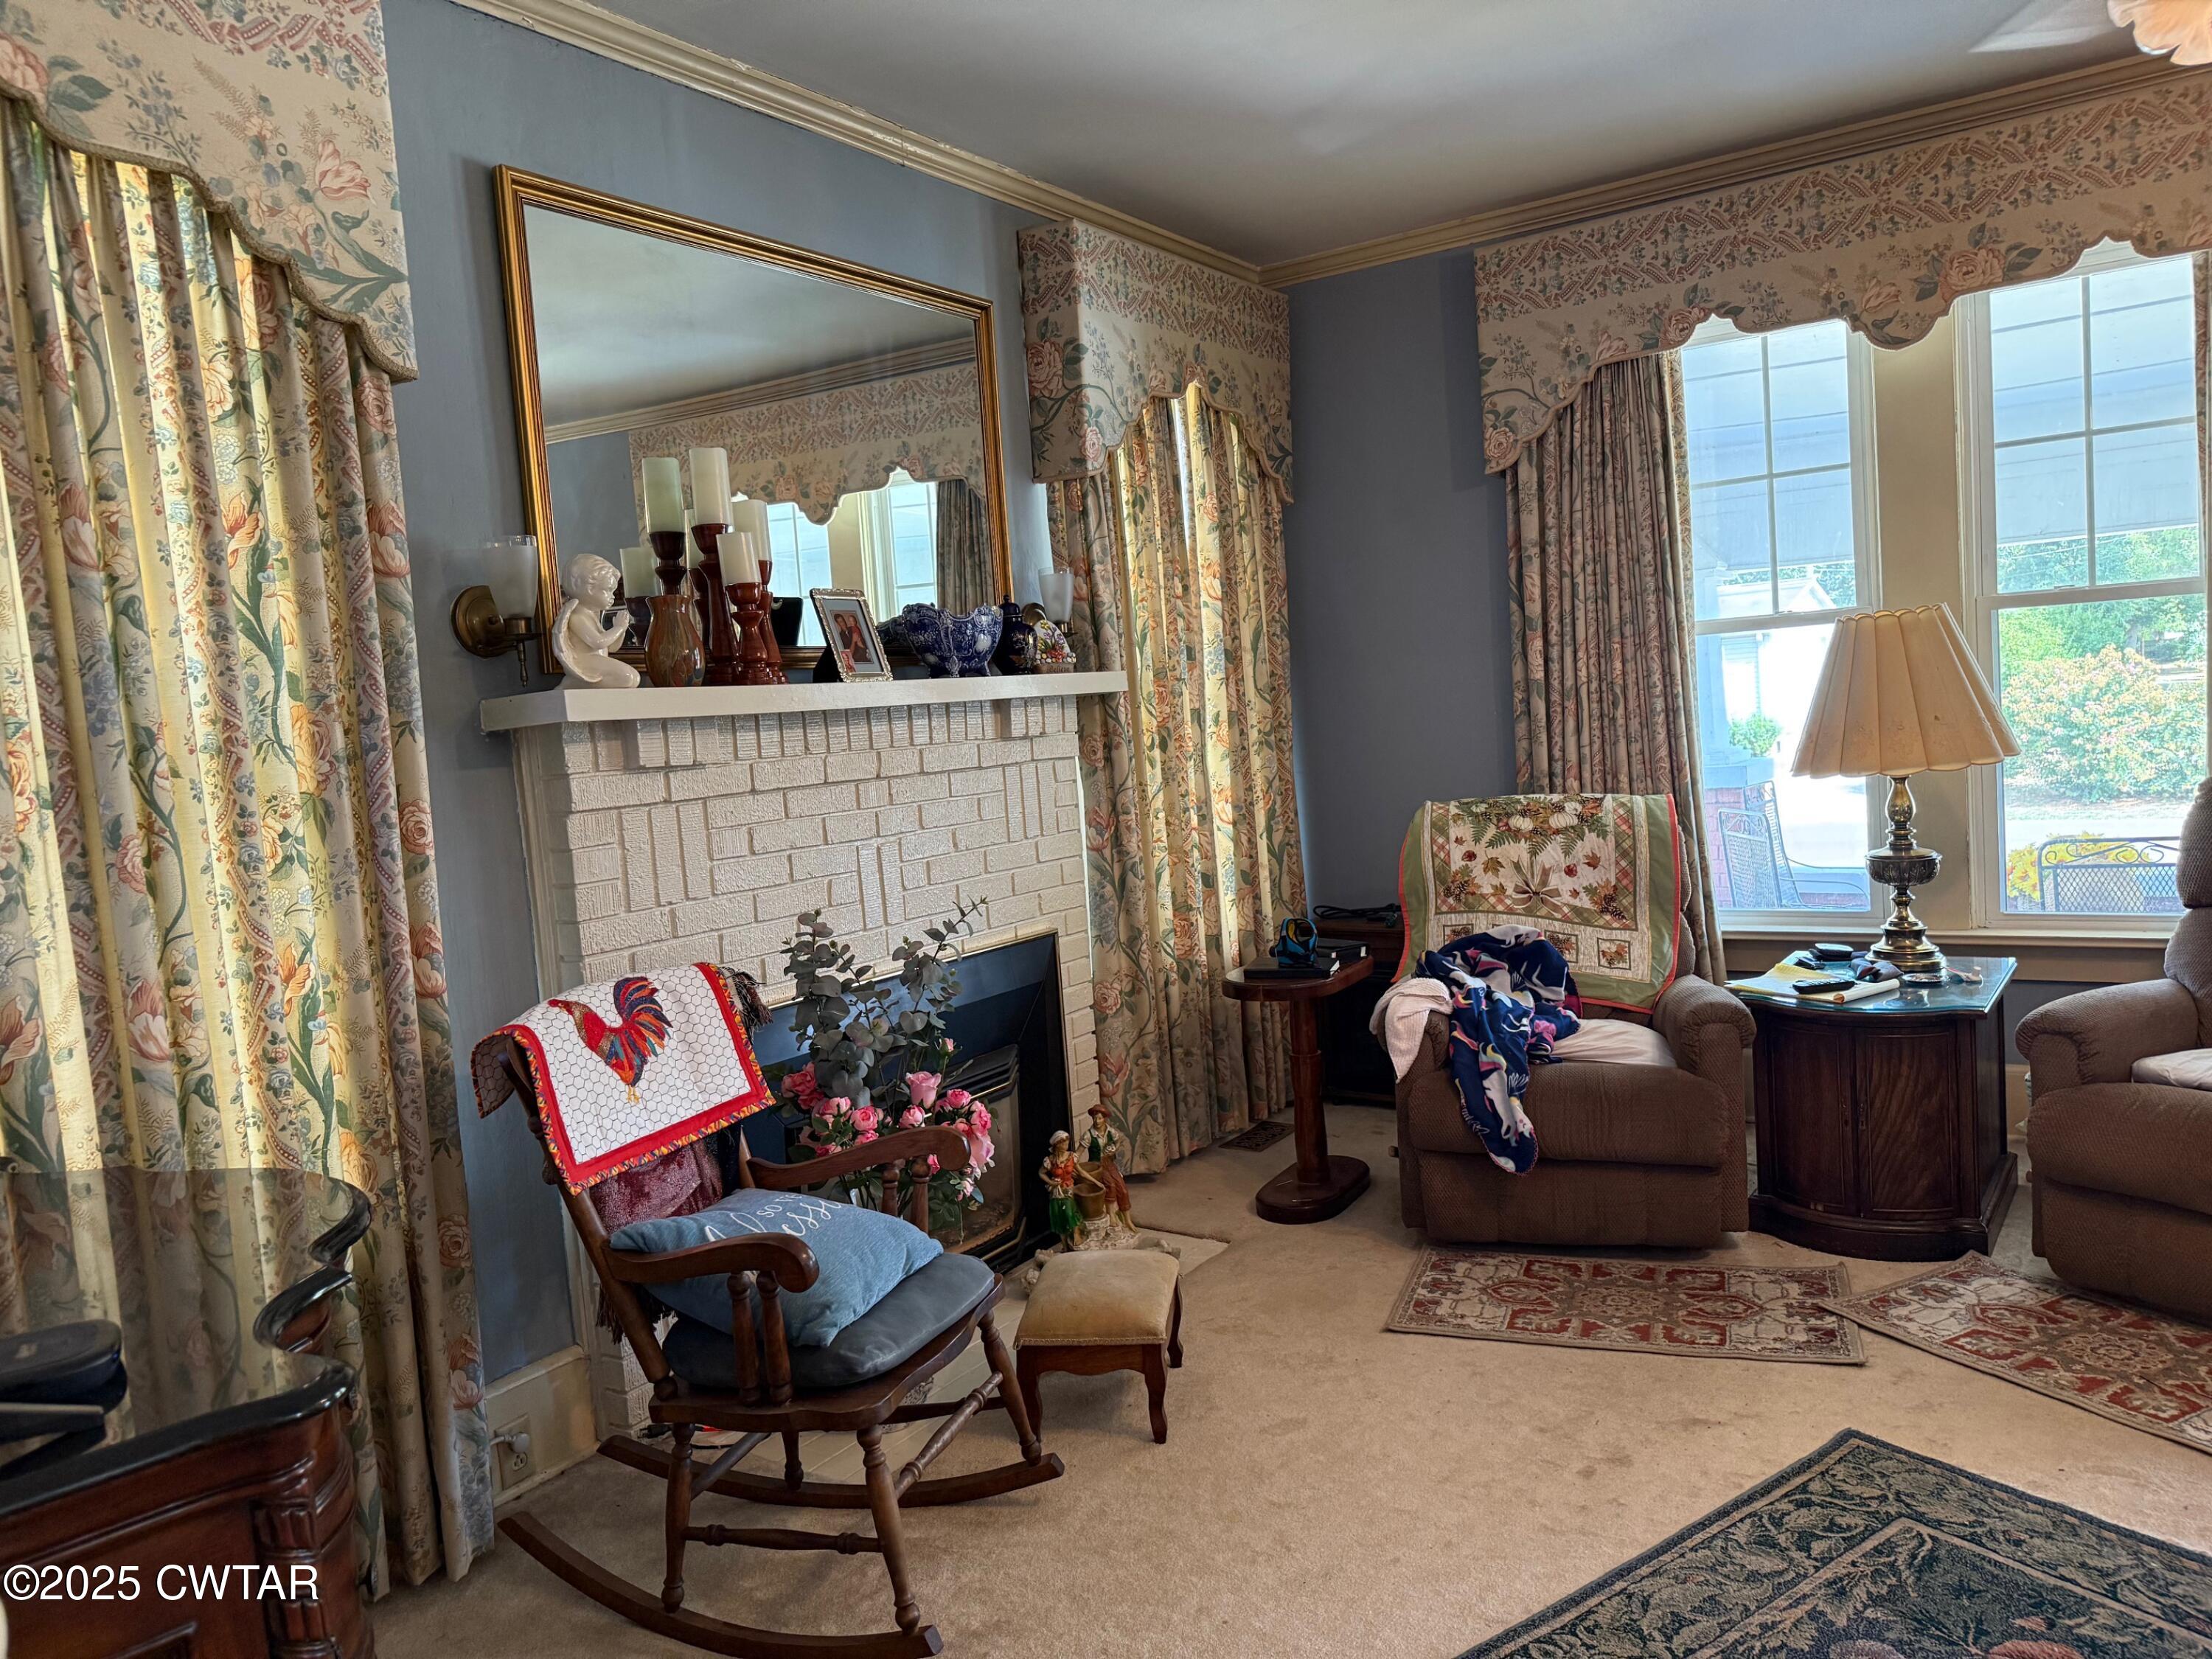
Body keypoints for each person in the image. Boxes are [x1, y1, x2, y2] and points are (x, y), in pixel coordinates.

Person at [1082, 1103, 1133, 1233]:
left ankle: (1127, 1220)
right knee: (1110, 1185)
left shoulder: (1110, 1131)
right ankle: (1112, 1216)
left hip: (1109, 1163)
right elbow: (1079, 1152)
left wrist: (1114, 1148)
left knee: (1122, 1188)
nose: (1097, 1121)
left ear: (1104, 1118)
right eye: (1094, 1119)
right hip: (1097, 1165)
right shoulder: (1089, 1135)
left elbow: (1119, 1139)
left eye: (1099, 1118)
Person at [1040, 1130, 1082, 1245]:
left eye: (1067, 1143)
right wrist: (1051, 1183)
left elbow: (1081, 1172)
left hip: (1068, 1189)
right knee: (1058, 1215)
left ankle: (1076, 1233)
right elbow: (1041, 1173)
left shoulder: (1071, 1157)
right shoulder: (1051, 1160)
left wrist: (1094, 1181)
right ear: (1057, 1145)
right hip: (1056, 1191)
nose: (1065, 1146)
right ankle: (1064, 1243)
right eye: (1063, 1144)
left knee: (1069, 1212)